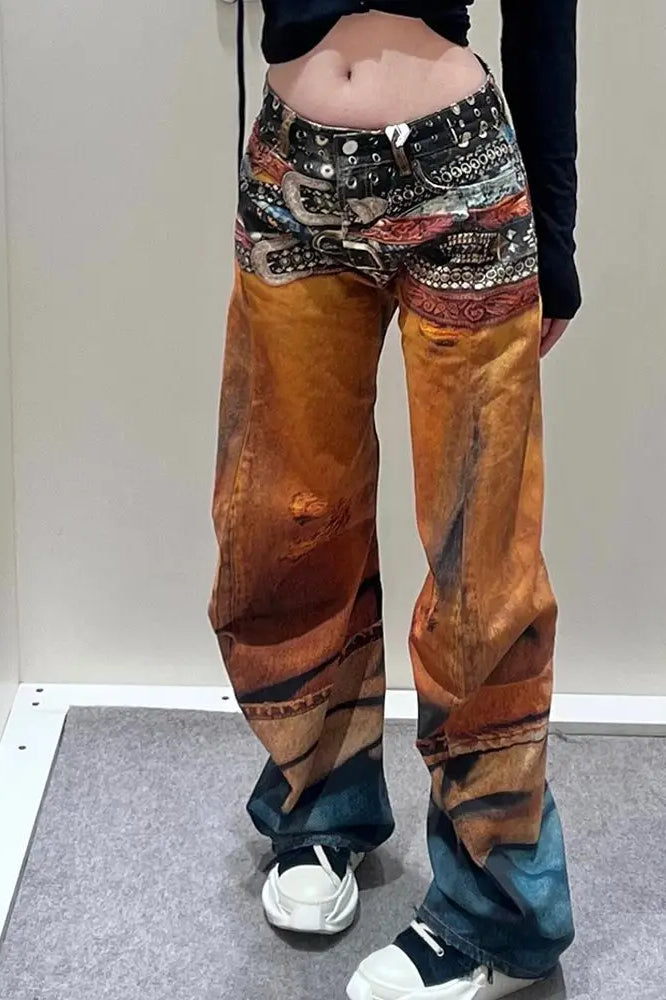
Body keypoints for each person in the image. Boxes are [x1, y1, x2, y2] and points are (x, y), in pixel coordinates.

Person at [207, 2, 581, 997]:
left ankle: (500, 915)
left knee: (482, 562)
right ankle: (317, 805)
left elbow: (545, 18)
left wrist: (556, 234)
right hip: (291, 180)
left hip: (461, 182)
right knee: (286, 520)